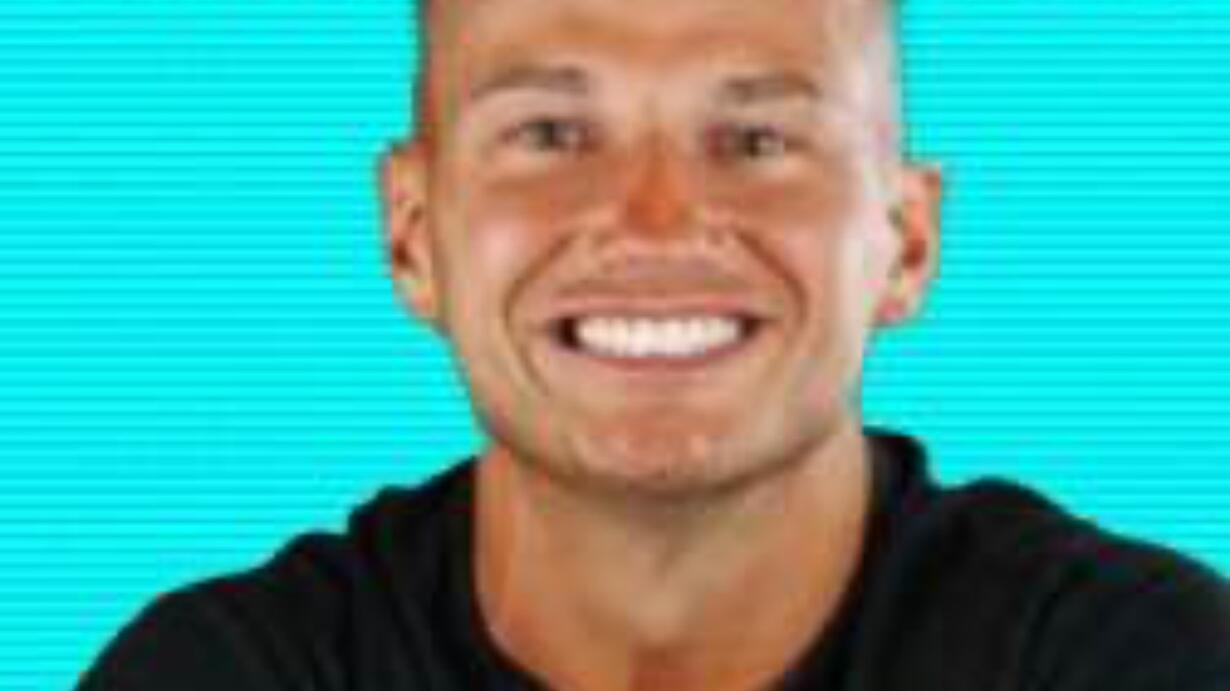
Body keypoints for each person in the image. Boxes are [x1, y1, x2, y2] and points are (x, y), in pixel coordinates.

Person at [76, 0, 1229, 689]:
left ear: (907, 242)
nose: (656, 220)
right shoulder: (228, 671)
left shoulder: (1138, 660)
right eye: (551, 133)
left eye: (756, 139)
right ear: (413, 234)